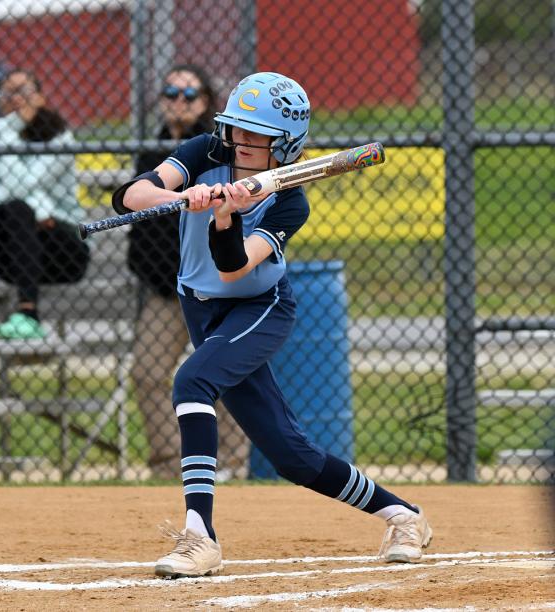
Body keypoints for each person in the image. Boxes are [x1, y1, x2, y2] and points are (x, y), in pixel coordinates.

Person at [112, 71, 433, 578]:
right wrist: (184, 197)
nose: (241, 141)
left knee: (191, 380)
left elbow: (234, 266)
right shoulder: (206, 151)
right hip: (199, 307)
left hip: (257, 308)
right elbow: (132, 196)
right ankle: (403, 515)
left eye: (255, 134)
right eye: (237, 128)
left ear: (284, 145)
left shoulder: (290, 200)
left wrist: (225, 217)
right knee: (291, 457)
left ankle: (199, 536)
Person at [128, 65, 248, 480]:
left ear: (206, 102)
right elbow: (139, 221)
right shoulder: (152, 152)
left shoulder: (217, 150)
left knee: (222, 375)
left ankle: (231, 464)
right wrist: (155, 275)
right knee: (147, 373)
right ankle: (168, 464)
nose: (179, 101)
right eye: (170, 92)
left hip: (217, 287)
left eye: (189, 94)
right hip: (167, 288)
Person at [0, 69, 90, 340]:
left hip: (62, 247)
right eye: (8, 93)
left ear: (40, 97)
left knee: (17, 208)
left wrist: (12, 130)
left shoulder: (59, 135)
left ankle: (28, 314)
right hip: (11, 252)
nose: (15, 98)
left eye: (23, 91)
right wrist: (32, 208)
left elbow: (23, 185)